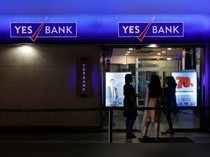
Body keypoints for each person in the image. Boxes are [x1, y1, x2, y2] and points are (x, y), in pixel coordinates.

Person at [142, 74, 162, 139]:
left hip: (150, 102)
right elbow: (161, 97)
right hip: (157, 103)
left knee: (148, 119)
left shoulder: (149, 86)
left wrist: (146, 105)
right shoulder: (159, 87)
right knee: (157, 120)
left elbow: (147, 96)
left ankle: (145, 134)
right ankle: (157, 136)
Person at [123, 74, 137, 139]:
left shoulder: (125, 86)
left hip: (126, 104)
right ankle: (129, 132)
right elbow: (130, 96)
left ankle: (128, 132)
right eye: (131, 77)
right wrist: (134, 104)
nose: (132, 78)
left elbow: (128, 95)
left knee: (128, 118)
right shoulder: (130, 86)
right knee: (132, 118)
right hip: (130, 105)